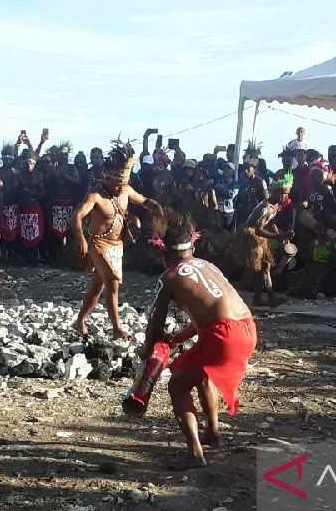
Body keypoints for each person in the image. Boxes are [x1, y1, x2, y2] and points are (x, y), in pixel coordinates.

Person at [141, 219, 256, 469]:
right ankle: (213, 433)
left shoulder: (169, 276)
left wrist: (147, 351)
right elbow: (213, 312)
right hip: (247, 326)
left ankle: (194, 452)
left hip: (222, 335)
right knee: (202, 375)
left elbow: (155, 321)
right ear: (191, 248)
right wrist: (179, 338)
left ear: (165, 252)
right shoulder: (208, 265)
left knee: (178, 385)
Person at [73, 141, 164, 339]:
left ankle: (80, 320)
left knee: (99, 285)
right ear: (107, 176)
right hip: (98, 244)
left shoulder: (126, 190)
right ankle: (116, 328)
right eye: (117, 180)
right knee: (113, 282)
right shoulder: (96, 195)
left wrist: (154, 206)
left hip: (117, 245)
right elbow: (78, 215)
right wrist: (81, 237)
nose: (120, 185)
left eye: (123, 180)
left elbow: (143, 201)